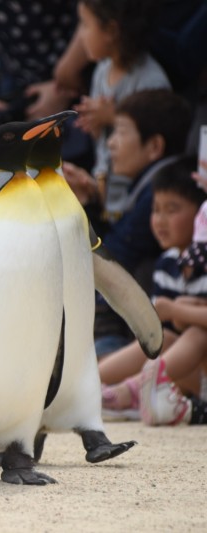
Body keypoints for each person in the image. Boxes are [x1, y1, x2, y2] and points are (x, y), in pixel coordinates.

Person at [65, 89, 193, 355]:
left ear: (155, 146)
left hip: (130, 337)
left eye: (121, 132)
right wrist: (88, 201)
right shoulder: (146, 185)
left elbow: (111, 257)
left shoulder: (159, 189)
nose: (111, 143)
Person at [99, 156, 207, 419]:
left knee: (197, 334)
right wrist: (180, 313)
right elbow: (169, 329)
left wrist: (175, 310)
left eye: (172, 210)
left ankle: (131, 390)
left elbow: (184, 325)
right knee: (164, 339)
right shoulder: (167, 263)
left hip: (198, 373)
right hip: (178, 370)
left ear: (199, 215)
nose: (160, 220)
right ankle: (86, 383)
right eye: (156, 210)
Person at [67, 0, 171, 224]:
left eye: (85, 25)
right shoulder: (101, 71)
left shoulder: (150, 81)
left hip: (133, 210)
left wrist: (113, 116)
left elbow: (155, 147)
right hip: (104, 199)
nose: (81, 35)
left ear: (111, 31)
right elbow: (104, 149)